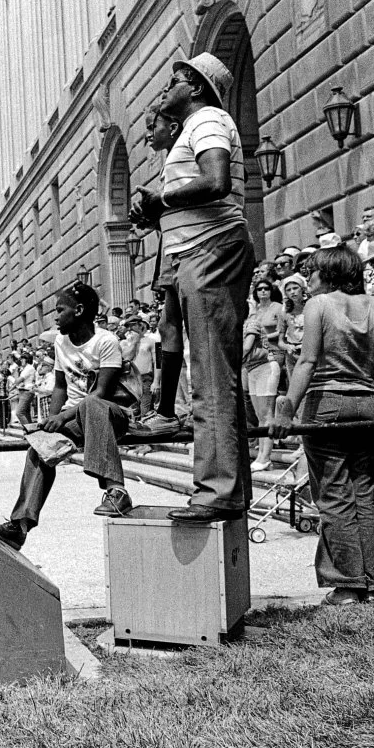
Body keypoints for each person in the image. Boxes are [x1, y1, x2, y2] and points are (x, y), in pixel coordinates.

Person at [131, 53, 255, 522]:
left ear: (197, 88)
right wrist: (158, 209)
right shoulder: (195, 127)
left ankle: (217, 490)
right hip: (198, 253)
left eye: (176, 80)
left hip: (211, 252)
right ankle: (225, 486)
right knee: (208, 372)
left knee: (210, 375)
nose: (167, 88)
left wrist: (161, 199)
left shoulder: (206, 119)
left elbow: (216, 181)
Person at [272, 246, 374, 605]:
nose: (308, 279)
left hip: (326, 405)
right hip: (367, 404)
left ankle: (348, 586)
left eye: (313, 271)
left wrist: (286, 410)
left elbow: (307, 361)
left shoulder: (318, 305)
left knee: (335, 497)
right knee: (363, 496)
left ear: (329, 273)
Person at [0, 283, 138, 551]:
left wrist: (62, 417)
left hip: (112, 414)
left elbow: (101, 394)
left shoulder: (106, 341)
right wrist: (49, 423)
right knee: (39, 449)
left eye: (59, 310)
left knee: (93, 405)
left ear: (78, 311)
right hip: (77, 416)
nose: (54, 317)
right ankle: (19, 526)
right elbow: (60, 387)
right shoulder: (60, 342)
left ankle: (117, 491)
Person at [132, 102, 187, 435]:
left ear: (174, 126)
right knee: (168, 326)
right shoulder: (171, 160)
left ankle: (172, 409)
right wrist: (153, 218)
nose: (149, 134)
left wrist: (160, 204)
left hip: (185, 252)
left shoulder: (183, 156)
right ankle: (167, 409)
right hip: (172, 248)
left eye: (153, 126)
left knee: (175, 327)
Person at [244, 279, 283, 472]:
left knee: (267, 414)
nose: (262, 292)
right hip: (253, 368)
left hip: (269, 363)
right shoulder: (252, 316)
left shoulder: (274, 309)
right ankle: (262, 455)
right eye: (258, 289)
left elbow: (246, 348)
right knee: (260, 415)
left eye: (266, 288)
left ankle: (266, 457)